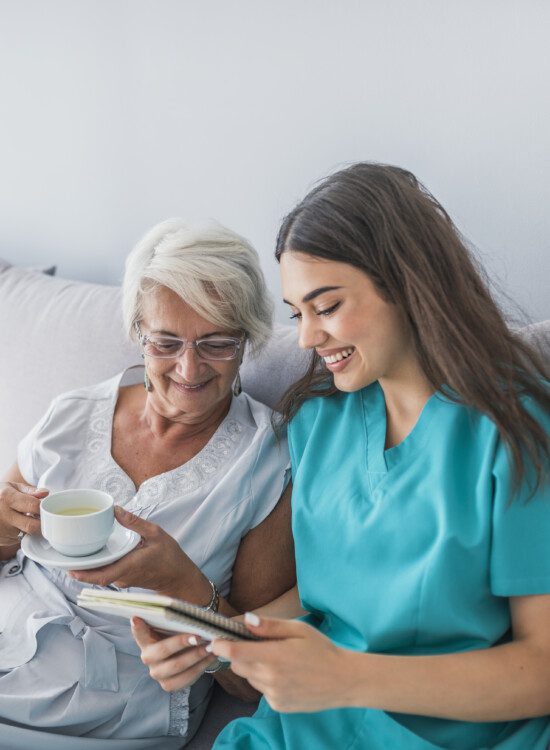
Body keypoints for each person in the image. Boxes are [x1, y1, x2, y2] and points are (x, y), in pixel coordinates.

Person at [134, 164, 550, 750]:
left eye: (325, 307)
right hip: (306, 730)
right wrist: (216, 643)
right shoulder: (318, 424)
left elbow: (542, 669)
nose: (306, 339)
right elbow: (321, 596)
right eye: (297, 313)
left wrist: (350, 677)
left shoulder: (514, 428)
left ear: (406, 283)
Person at [0, 218, 295, 748]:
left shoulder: (268, 462)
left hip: (101, 713)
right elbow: (6, 538)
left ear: (247, 339)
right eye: (166, 342)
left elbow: (248, 681)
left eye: (217, 343)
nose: (188, 367)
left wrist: (181, 584)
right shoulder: (72, 413)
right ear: (139, 331)